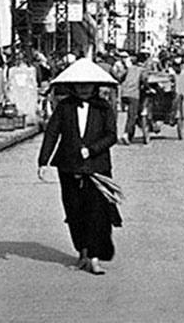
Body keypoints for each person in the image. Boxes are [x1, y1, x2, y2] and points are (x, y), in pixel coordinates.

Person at [37, 59, 121, 275]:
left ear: (95, 86)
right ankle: (82, 251)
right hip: (68, 166)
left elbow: (111, 136)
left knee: (96, 212)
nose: (84, 89)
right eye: (79, 85)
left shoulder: (104, 108)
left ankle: (94, 256)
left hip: (97, 168)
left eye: (88, 85)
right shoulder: (64, 107)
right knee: (74, 211)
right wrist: (43, 162)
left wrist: (92, 150)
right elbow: (52, 133)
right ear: (72, 86)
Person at [119, 54, 146, 144]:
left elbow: (120, 78)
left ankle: (130, 134)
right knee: (132, 116)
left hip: (124, 93)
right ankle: (126, 134)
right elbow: (144, 81)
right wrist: (148, 88)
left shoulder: (128, 69)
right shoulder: (141, 70)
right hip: (133, 94)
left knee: (130, 114)